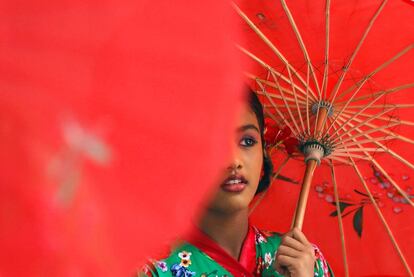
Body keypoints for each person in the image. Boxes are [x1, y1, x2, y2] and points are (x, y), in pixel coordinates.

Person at [140, 88, 333, 277]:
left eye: (247, 141)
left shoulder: (306, 262)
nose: (234, 161)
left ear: (263, 152)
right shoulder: (155, 269)